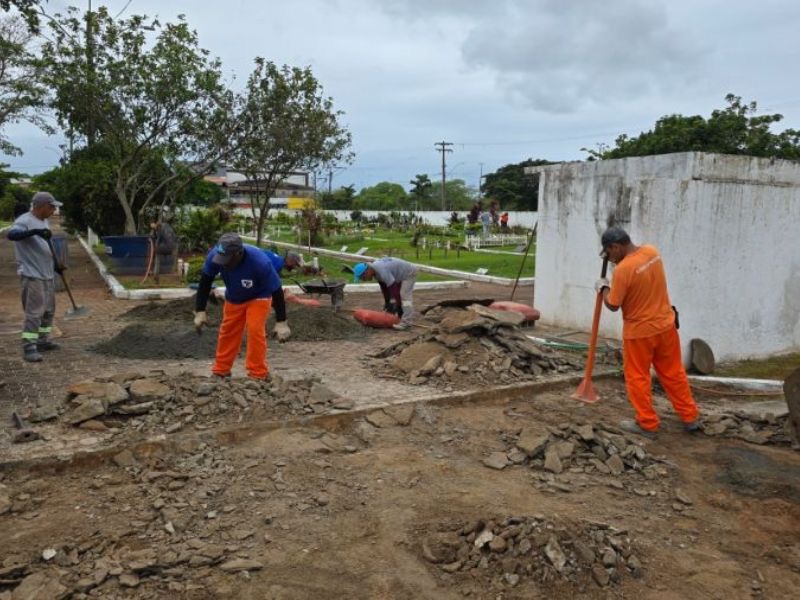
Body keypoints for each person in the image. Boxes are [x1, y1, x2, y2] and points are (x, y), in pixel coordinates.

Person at [595, 226, 700, 438]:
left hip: (640, 333)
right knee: (674, 373)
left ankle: (647, 423)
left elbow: (613, 304)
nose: (610, 258)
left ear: (616, 246)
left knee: (637, 377)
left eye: (610, 252)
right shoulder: (652, 252)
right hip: (666, 326)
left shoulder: (623, 270)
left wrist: (604, 288)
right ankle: (690, 417)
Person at [193, 233, 289, 380]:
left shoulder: (259, 262)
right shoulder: (216, 255)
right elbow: (206, 280)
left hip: (259, 295)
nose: (223, 263)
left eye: (227, 260)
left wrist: (281, 321)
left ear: (238, 254)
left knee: (255, 329)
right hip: (234, 296)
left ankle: (258, 374)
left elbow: (276, 290)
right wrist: (200, 310)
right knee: (228, 331)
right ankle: (221, 370)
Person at [6, 191, 64, 362]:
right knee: (34, 313)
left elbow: (44, 245)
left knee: (48, 311)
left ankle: (42, 341)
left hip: (47, 273)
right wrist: (34, 232)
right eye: (51, 207)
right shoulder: (24, 220)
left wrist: (55, 265)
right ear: (42, 206)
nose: (53, 211)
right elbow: (12, 235)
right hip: (32, 275)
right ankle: (29, 347)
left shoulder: (44, 221)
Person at [352, 257, 417, 331]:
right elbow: (385, 288)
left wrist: (397, 305)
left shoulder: (381, 270)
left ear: (367, 271)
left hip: (409, 273)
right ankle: (400, 315)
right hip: (398, 274)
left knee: (405, 297)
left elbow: (393, 289)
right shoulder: (376, 272)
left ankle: (407, 323)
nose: (363, 280)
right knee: (396, 299)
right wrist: (387, 303)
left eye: (363, 277)